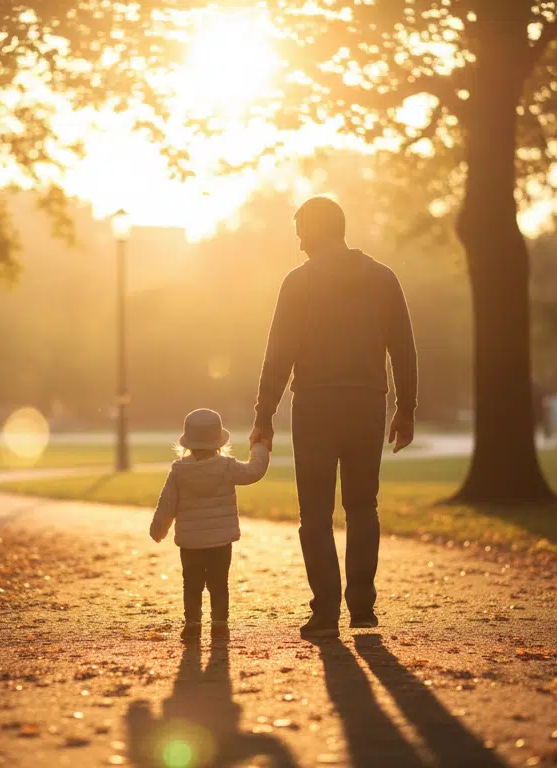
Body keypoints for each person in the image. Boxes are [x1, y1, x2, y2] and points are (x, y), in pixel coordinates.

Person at [250, 196, 418, 639]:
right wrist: (406, 408)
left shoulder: (298, 283)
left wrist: (264, 414)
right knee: (363, 507)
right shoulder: (382, 278)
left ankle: (325, 612)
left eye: (301, 229)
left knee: (316, 513)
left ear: (318, 230)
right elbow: (403, 347)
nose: (298, 240)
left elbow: (278, 354)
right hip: (366, 405)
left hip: (316, 408)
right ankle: (361, 607)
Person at [149, 409, 270, 642]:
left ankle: (192, 625)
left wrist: (158, 530)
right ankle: (220, 625)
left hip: (191, 543)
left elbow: (167, 504)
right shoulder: (227, 467)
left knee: (191, 583)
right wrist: (260, 447)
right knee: (218, 583)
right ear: (218, 442)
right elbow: (254, 471)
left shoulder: (179, 471)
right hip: (220, 542)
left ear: (188, 443)